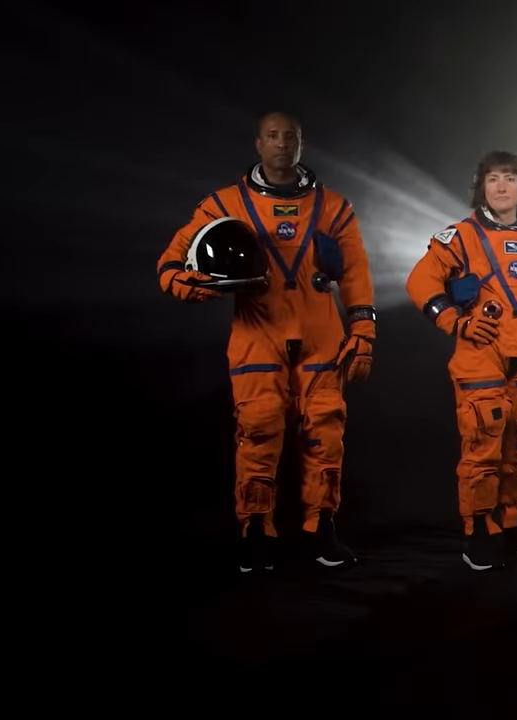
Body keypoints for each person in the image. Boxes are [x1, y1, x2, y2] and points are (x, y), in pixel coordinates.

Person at [156, 112, 376, 573]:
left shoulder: (333, 207)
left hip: (321, 334)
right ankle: (256, 529)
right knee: (258, 431)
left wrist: (363, 332)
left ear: (301, 144)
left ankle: (321, 528)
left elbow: (356, 274)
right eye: (272, 136)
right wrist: (189, 285)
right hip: (259, 333)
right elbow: (170, 264)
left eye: (290, 137)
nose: (281, 144)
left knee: (326, 433)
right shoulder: (225, 203)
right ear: (258, 144)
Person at [405, 150, 517, 572]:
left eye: (510, 178)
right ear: (481, 188)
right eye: (493, 179)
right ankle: (477, 534)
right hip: (482, 355)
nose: (502, 187)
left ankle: (515, 528)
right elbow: (420, 280)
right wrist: (455, 322)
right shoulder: (461, 237)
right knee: (482, 446)